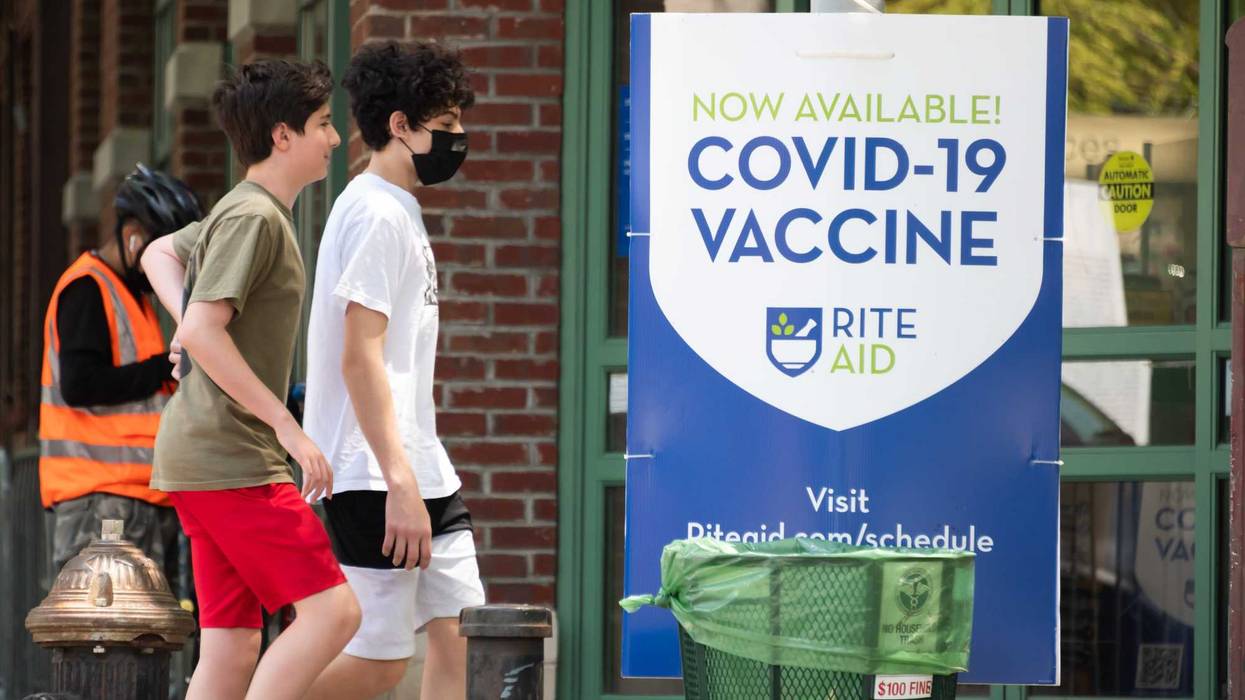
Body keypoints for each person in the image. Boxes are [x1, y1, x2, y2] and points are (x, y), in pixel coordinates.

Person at [141, 59, 360, 700]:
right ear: (283, 135)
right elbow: (208, 328)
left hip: (205, 460)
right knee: (335, 613)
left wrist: (189, 325)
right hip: (234, 460)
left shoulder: (242, 212)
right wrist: (289, 429)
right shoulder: (253, 218)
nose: (335, 138)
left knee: (233, 649)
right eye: (323, 124)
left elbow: (159, 253)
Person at [303, 41, 483, 700]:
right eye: (446, 125)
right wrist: (399, 482)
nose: (460, 138)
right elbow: (360, 356)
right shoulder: (377, 212)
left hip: (417, 464)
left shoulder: (391, 207)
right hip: (373, 474)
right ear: (400, 125)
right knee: (379, 661)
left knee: (465, 634)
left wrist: (414, 473)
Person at [39, 164, 201, 576]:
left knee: (138, 638)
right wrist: (161, 368)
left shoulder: (133, 296)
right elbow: (79, 384)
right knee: (108, 639)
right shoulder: (87, 288)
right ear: (133, 236)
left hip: (130, 500)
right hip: (102, 503)